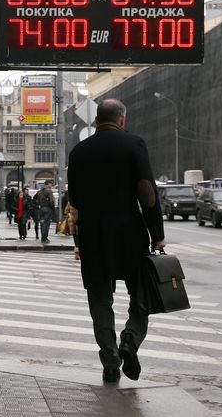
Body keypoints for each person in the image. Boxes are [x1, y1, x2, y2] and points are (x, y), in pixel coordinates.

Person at [67, 98, 165, 383]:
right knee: (141, 294)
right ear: (122, 120)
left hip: (93, 235)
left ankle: (110, 360)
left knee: (99, 298)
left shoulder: (79, 152)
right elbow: (147, 193)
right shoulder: (133, 145)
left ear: (97, 120)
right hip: (129, 233)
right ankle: (130, 342)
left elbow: (74, 199)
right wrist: (156, 233)